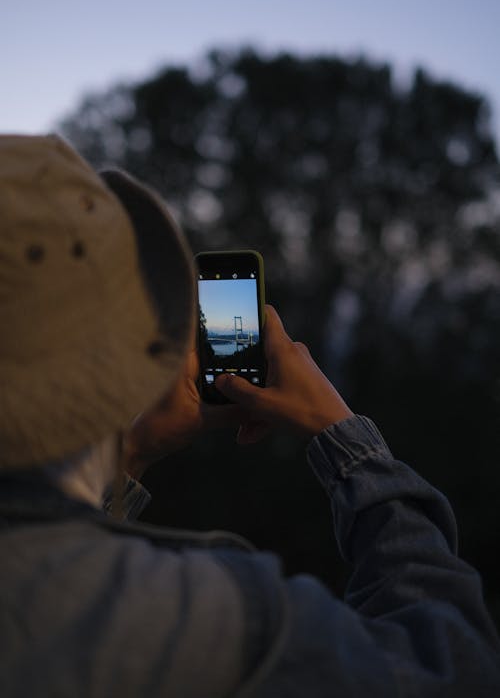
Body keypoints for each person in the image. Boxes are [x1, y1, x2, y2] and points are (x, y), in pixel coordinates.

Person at [0, 134, 499, 698]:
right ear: (127, 362)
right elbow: (452, 668)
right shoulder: (204, 617)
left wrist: (130, 453)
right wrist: (349, 442)